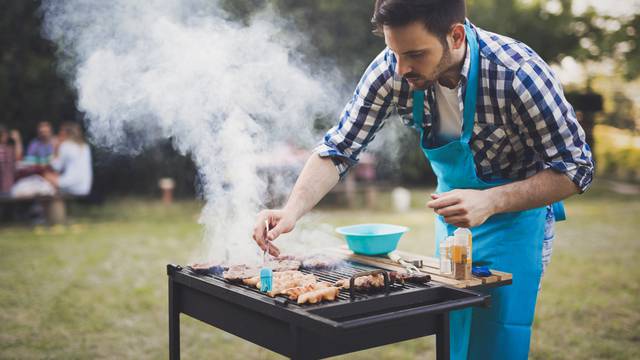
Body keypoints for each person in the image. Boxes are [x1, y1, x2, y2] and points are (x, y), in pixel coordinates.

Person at [252, 1, 594, 359]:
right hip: (452, 224)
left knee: (496, 338)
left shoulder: (518, 74)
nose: (401, 69)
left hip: (517, 221)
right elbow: (339, 148)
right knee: (454, 331)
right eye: (394, 52)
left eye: (415, 54)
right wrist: (291, 211)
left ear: (456, 35)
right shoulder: (392, 67)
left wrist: (491, 201)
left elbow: (576, 168)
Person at [42, 122, 92, 196]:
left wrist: (55, 149)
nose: (58, 136)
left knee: (44, 176)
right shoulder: (85, 147)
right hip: (85, 187)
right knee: (52, 177)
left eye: (60, 134)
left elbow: (56, 167)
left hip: (70, 185)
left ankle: (39, 206)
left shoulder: (65, 146)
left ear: (66, 134)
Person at [0, 125, 23, 194]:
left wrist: (17, 140)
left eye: (4, 134)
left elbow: (18, 157)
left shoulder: (9, 149)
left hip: (8, 187)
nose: (3, 136)